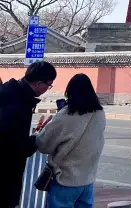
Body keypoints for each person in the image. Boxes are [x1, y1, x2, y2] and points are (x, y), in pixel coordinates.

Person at [36, 74, 106, 208]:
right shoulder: (99, 113)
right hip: (87, 180)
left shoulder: (65, 115)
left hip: (65, 180)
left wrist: (44, 128)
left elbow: (43, 145)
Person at [0, 61, 57, 208]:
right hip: (5, 172)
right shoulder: (19, 103)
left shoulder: (9, 92)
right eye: (49, 85)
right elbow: (18, 146)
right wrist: (38, 136)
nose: (48, 89)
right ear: (38, 83)